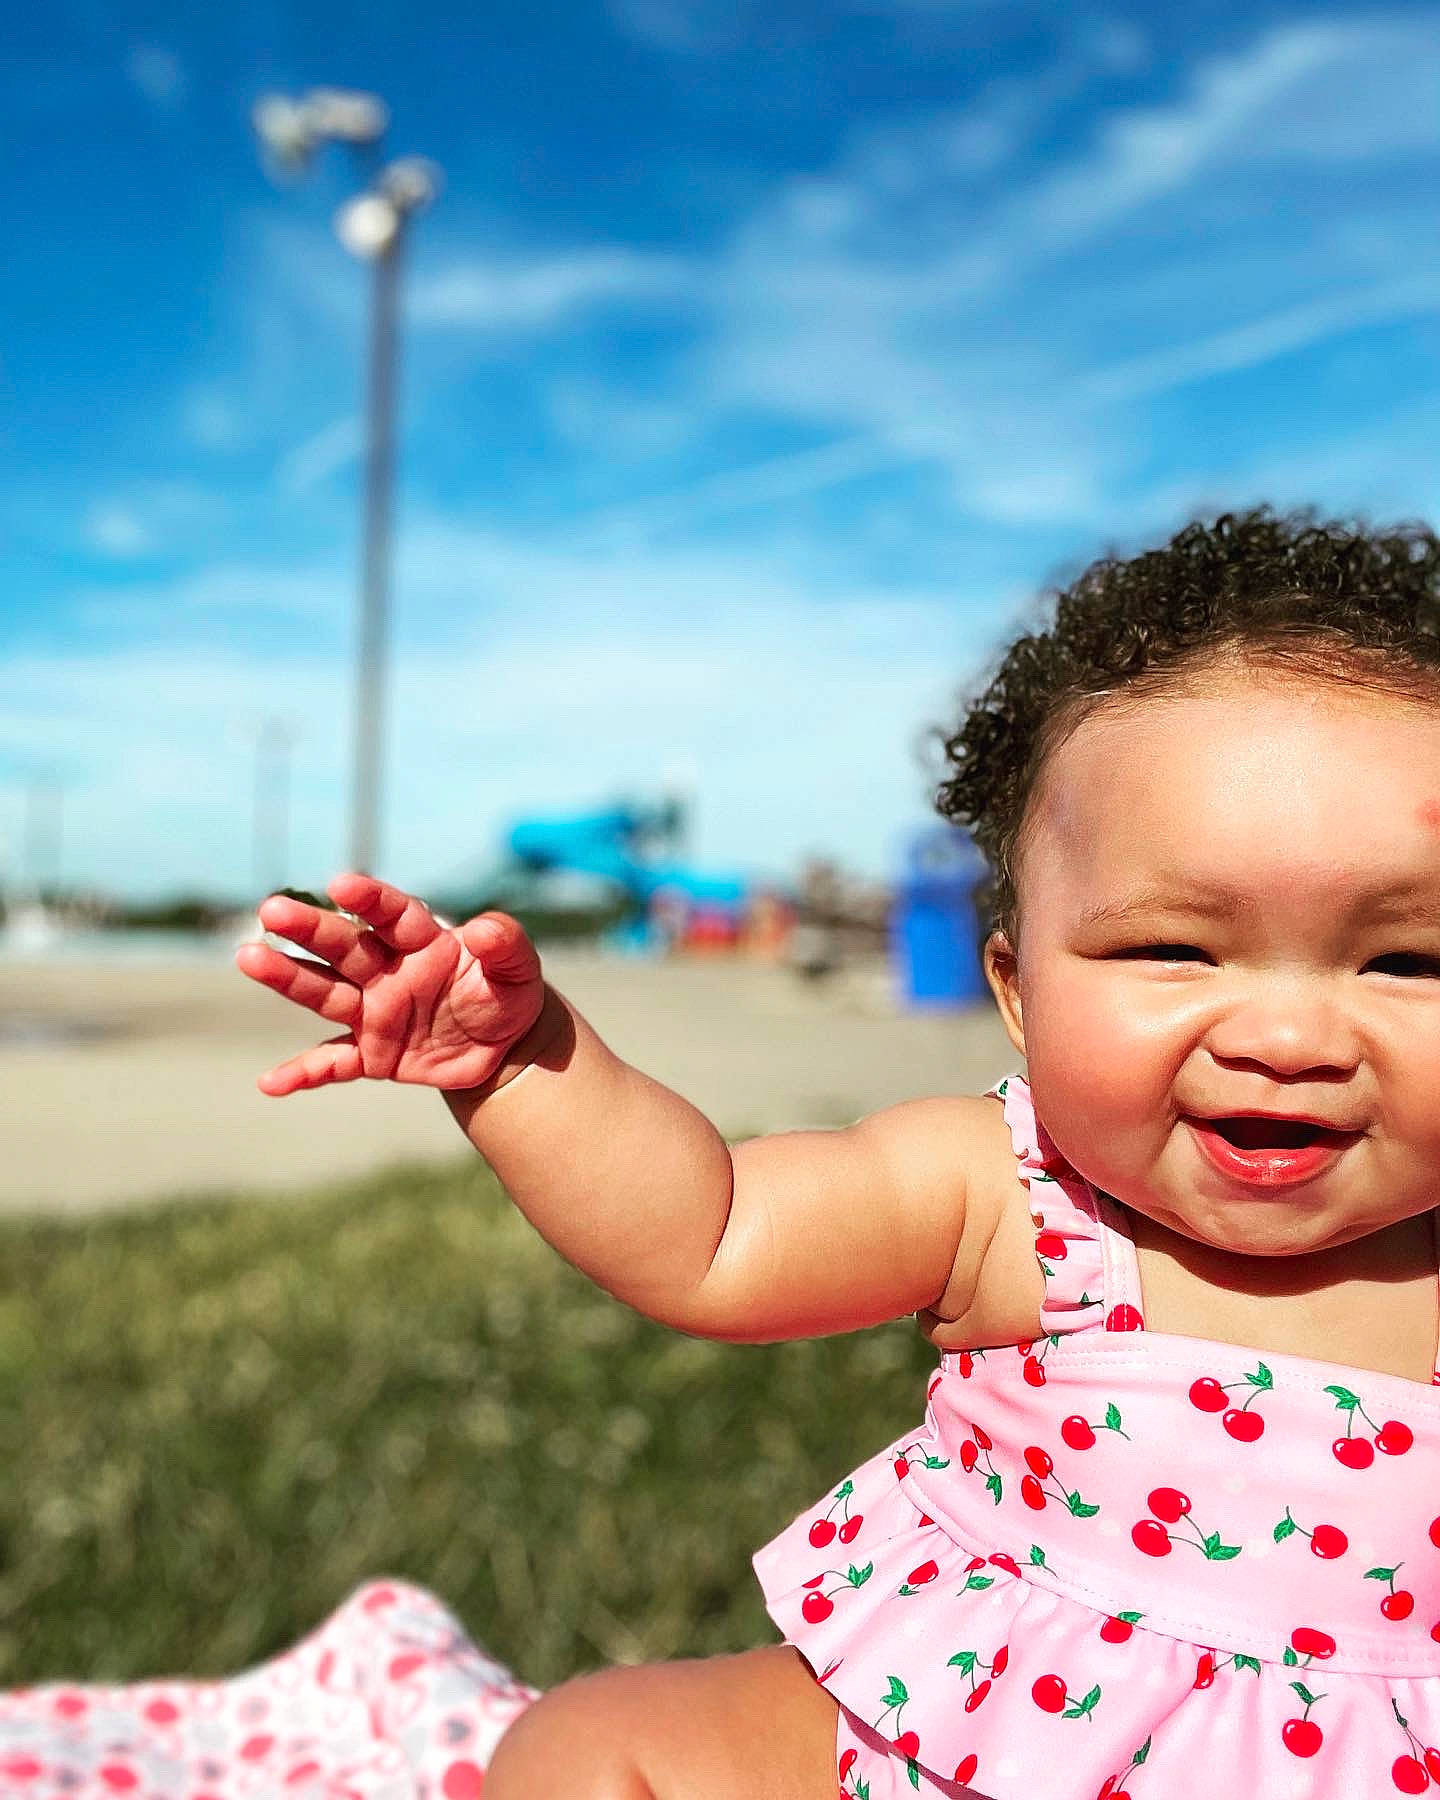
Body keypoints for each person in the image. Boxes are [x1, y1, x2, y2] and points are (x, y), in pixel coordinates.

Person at [235, 507, 1440, 1800]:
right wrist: (520, 1066)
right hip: (951, 1756)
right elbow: (717, 1233)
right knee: (595, 1751)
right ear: (1018, 988)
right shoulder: (1018, 1200)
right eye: (1174, 949)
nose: (1288, 1034)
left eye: (1409, 960)